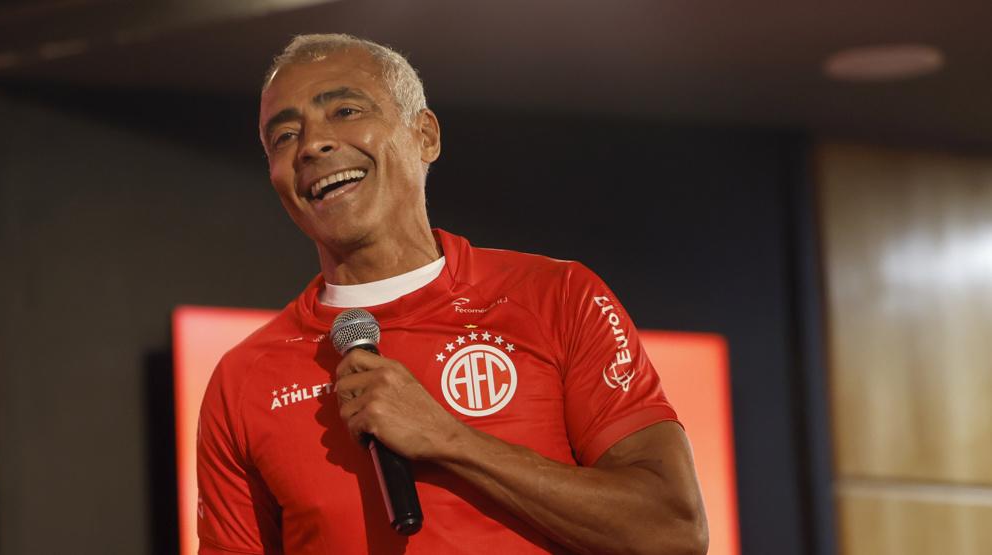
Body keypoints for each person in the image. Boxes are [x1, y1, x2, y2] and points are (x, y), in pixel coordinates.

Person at [196, 33, 708, 555]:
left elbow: (672, 531)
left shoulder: (556, 297)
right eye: (283, 137)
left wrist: (448, 439)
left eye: (346, 110)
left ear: (425, 135)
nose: (311, 145)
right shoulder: (244, 378)